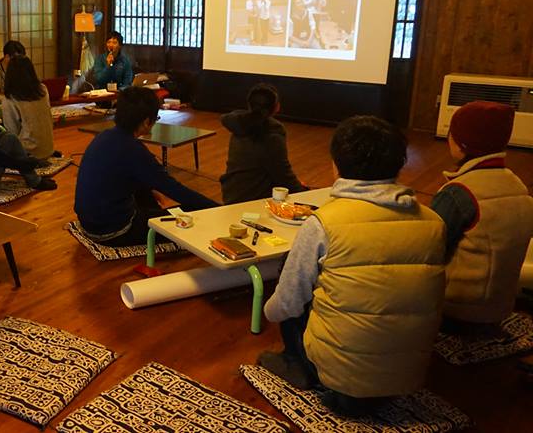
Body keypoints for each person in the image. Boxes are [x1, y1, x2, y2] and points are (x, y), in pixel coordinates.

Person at [259, 116, 446, 417]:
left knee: (293, 280)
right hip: (409, 372)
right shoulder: (434, 222)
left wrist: (267, 312)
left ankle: (298, 364)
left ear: (336, 164)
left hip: (338, 376)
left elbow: (287, 304)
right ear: (400, 164)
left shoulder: (323, 223)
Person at [431, 101, 533, 333]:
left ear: (463, 143)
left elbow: (430, 248)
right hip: (501, 306)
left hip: (457, 309)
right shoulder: (518, 185)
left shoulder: (460, 193)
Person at [74, 87, 217, 246]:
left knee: (145, 188)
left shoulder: (103, 136)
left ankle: (149, 214)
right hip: (113, 231)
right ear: (146, 122)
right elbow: (174, 189)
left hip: (89, 224)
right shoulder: (133, 150)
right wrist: (217, 210)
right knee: (190, 219)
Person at [220, 84, 307, 204]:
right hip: (253, 200)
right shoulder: (272, 135)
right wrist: (304, 192)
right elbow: (283, 175)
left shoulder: (240, 123)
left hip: (231, 194)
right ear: (276, 107)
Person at [2, 56, 56, 160]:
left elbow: (12, 132)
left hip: (28, 153)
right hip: (48, 148)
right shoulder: (43, 89)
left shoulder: (10, 99)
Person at [0, 40, 26, 105]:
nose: (18, 61)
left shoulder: (17, 67)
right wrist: (14, 100)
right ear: (7, 57)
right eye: (16, 59)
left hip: (14, 103)